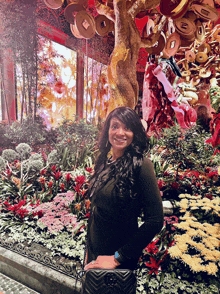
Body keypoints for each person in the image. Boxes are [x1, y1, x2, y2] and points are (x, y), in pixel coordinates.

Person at [84, 107, 163, 271]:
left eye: (127, 128)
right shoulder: (105, 163)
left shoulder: (141, 165)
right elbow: (96, 212)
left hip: (117, 262)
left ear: (135, 133)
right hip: (95, 256)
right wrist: (88, 251)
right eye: (115, 127)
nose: (120, 133)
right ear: (107, 131)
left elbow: (155, 220)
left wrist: (117, 258)